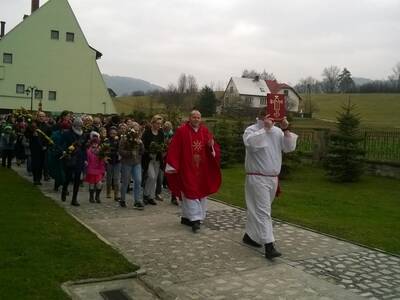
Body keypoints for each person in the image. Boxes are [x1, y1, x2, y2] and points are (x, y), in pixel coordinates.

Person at [242, 109, 297, 259]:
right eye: (267, 114)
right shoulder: (251, 130)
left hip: (272, 178)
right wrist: (265, 129)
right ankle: (269, 246)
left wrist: (286, 129)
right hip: (257, 178)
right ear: (260, 116)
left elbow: (289, 147)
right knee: (263, 211)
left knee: (258, 210)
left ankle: (250, 236)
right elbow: (252, 145)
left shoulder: (278, 131)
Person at [165, 110, 221, 233]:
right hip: (187, 167)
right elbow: (174, 147)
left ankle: (186, 217)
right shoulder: (182, 131)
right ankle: (195, 219)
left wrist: (211, 145)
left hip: (202, 168)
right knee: (190, 191)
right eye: (194, 117)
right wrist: (173, 164)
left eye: (198, 117)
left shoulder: (204, 131)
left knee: (200, 192)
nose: (196, 119)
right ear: (189, 118)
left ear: (201, 119)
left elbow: (212, 146)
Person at [85, 131, 106, 203]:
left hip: (99, 170)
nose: (95, 145)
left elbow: (102, 162)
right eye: (93, 143)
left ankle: (97, 196)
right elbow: (87, 160)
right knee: (91, 184)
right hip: (91, 169)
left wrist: (103, 171)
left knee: (99, 183)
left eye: (96, 143)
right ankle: (91, 197)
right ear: (91, 143)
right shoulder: (88, 151)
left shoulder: (100, 151)